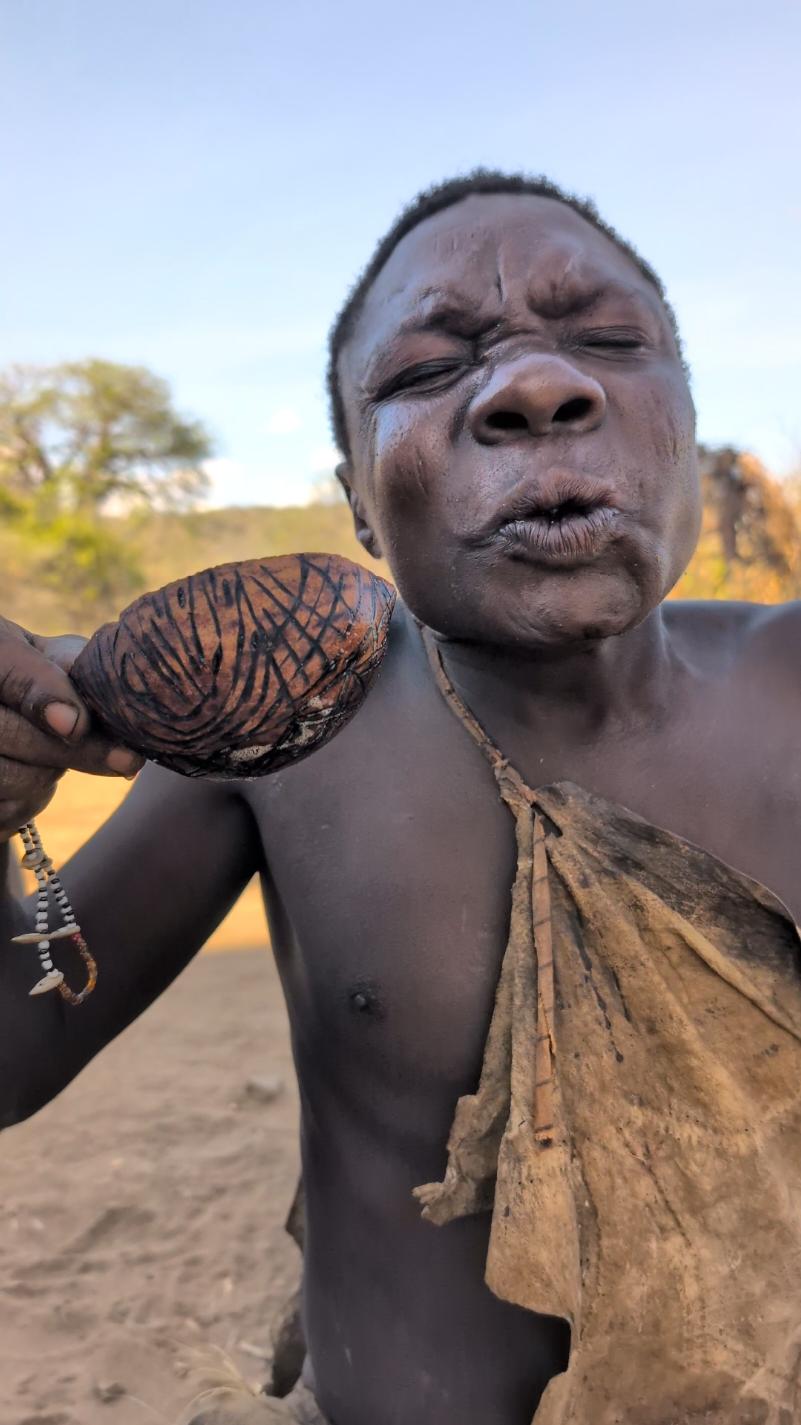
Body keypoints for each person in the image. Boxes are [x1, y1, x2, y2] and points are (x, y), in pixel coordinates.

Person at [1, 171, 800, 1425]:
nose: (537, 388)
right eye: (429, 370)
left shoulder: (793, 680)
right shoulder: (280, 732)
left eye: (604, 341)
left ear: (687, 428)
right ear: (361, 506)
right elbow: (12, 1043)